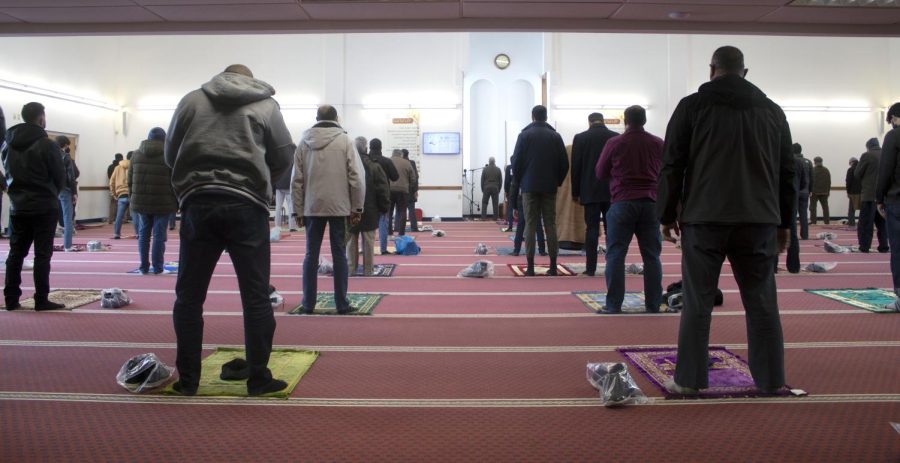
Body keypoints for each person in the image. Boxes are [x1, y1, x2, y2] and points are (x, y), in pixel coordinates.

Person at [657, 46, 794, 394]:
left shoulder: (692, 107)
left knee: (698, 302)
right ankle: (772, 380)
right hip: (760, 219)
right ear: (745, 72)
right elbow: (787, 172)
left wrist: (666, 214)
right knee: (762, 302)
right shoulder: (773, 112)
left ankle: (688, 381)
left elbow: (673, 164)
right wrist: (784, 225)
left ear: (711, 70)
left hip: (705, 218)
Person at [165, 64, 295, 396]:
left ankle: (188, 380)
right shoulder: (266, 105)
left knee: (189, 297)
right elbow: (284, 155)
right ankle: (259, 379)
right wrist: (260, 178)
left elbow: (170, 153)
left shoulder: (191, 101)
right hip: (247, 205)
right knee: (255, 297)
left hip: (198, 202)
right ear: (249, 81)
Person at [293, 105, 364, 314]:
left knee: (310, 255)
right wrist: (357, 207)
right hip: (339, 207)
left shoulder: (303, 142)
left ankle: (307, 304)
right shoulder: (345, 141)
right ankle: (342, 304)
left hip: (312, 206)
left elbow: (296, 180)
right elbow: (357, 178)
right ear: (337, 118)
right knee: (339, 254)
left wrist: (297, 210)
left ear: (316, 118)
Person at [595, 105, 663, 312]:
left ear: (626, 120)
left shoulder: (615, 143)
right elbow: (668, 171)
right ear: (644, 120)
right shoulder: (658, 143)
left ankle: (614, 305)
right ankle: (653, 304)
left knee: (615, 254)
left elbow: (600, 172)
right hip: (651, 203)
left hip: (622, 202)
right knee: (652, 256)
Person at [3, 102, 66, 311]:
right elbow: (60, 177)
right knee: (42, 255)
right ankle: (41, 299)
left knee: (16, 254)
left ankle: (11, 299)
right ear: (41, 118)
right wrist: (51, 194)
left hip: (18, 206)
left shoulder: (7, 144)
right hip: (44, 207)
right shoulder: (47, 144)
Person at [511, 105, 569, 276]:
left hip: (529, 187)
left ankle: (530, 267)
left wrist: (521, 182)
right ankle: (552, 266)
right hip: (549, 187)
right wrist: (556, 181)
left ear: (532, 117)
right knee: (550, 224)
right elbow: (564, 163)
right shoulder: (555, 136)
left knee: (530, 224)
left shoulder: (524, 135)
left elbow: (516, 163)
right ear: (546, 116)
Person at [571, 112, 618, 276]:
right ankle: (613, 265)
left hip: (589, 190)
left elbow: (575, 167)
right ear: (603, 121)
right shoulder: (615, 137)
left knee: (591, 229)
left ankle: (590, 268)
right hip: (612, 191)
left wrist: (575, 192)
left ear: (589, 122)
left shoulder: (581, 138)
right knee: (611, 229)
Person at [128, 127, 177, 274]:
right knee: (159, 236)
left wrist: (133, 199)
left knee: (143, 235)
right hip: (164, 202)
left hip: (141, 202)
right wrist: (176, 202)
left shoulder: (135, 155)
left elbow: (129, 180)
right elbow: (175, 181)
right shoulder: (169, 155)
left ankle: (143, 267)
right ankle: (158, 267)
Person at [348, 136, 390, 275]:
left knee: (351, 241)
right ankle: (368, 270)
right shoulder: (374, 165)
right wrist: (384, 208)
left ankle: (350, 269)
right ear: (366, 148)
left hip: (350, 209)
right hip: (370, 209)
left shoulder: (347, 164)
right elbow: (382, 189)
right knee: (368, 241)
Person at [876, 102, 900, 311]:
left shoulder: (894, 136)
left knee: (899, 250)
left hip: (897, 201)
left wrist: (879, 198)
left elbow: (885, 169)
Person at [855, 138, 886, 253]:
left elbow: (857, 174)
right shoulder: (886, 154)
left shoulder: (867, 156)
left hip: (869, 195)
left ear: (868, 146)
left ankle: (864, 246)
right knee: (882, 223)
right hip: (883, 196)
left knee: (866, 223)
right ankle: (884, 246)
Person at [368, 138, 398, 254]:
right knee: (383, 222)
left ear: (369, 147)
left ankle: (365, 249)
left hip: (367, 197)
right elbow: (395, 177)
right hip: (383, 195)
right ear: (381, 147)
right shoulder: (386, 161)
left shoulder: (363, 160)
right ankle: (383, 248)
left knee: (366, 225)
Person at [784, 148, 808, 274]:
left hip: (773, 199)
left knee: (771, 232)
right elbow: (804, 182)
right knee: (792, 232)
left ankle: (771, 267)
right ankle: (793, 266)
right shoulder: (799, 162)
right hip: (792, 199)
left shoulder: (773, 157)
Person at [56, 136, 78, 251]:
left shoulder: (49, 155)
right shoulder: (65, 156)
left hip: (50, 189)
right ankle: (67, 246)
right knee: (67, 217)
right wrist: (74, 192)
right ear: (65, 145)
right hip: (64, 189)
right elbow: (71, 176)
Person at [389, 148, 416, 236]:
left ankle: (389, 232)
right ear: (401, 155)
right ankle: (401, 233)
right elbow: (413, 178)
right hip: (403, 190)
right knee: (402, 211)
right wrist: (409, 187)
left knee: (389, 212)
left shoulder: (388, 161)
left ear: (392, 154)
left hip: (389, 190)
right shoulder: (406, 163)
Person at [108, 151, 131, 239]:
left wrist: (114, 194)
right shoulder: (134, 166)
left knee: (119, 216)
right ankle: (139, 234)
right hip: (131, 194)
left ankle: (116, 233)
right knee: (137, 216)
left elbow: (112, 181)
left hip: (121, 194)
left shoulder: (117, 168)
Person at [272, 156, 298, 232]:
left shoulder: (278, 162)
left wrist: (273, 190)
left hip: (278, 186)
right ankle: (292, 227)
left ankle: (277, 226)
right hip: (289, 186)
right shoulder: (293, 161)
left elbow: (274, 175)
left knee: (278, 207)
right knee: (291, 207)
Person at [795, 144, 813, 239]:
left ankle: (792, 235)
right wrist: (810, 190)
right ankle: (805, 235)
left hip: (794, 191)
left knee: (792, 214)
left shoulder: (792, 161)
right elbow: (811, 177)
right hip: (805, 191)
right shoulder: (808, 162)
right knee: (804, 214)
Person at [403, 149, 420, 232]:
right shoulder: (412, 163)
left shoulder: (400, 163)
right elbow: (416, 177)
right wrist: (416, 190)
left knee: (401, 210)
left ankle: (398, 227)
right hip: (411, 189)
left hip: (402, 190)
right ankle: (414, 227)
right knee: (411, 210)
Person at [810, 156, 831, 224]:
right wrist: (828, 191)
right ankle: (827, 221)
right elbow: (829, 181)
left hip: (814, 192)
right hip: (824, 192)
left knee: (813, 207)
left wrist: (810, 190)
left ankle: (813, 221)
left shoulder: (812, 170)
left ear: (815, 162)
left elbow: (810, 181)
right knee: (825, 207)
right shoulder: (826, 170)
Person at [480, 157, 503, 221]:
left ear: (489, 162)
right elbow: (501, 181)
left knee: (484, 203)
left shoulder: (485, 169)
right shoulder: (498, 169)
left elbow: (482, 180)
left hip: (486, 188)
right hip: (495, 188)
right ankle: (495, 218)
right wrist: (499, 189)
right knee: (495, 203)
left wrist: (482, 189)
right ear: (494, 161)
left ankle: (483, 217)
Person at [845, 156, 861, 226]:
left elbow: (848, 182)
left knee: (851, 209)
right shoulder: (862, 168)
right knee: (863, 209)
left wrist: (848, 192)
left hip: (853, 192)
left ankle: (851, 223)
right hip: (863, 192)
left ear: (851, 162)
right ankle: (862, 223)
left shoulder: (850, 170)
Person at [107, 153, 122, 224]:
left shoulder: (110, 167)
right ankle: (121, 219)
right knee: (121, 204)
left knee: (112, 203)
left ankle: (110, 219)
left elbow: (110, 177)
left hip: (112, 186)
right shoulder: (120, 167)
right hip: (120, 187)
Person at [503, 163, 514, 231]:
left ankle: (510, 226)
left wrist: (506, 191)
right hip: (520, 189)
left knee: (510, 208)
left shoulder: (509, 167)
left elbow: (506, 180)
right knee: (522, 210)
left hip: (511, 190)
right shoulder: (521, 165)